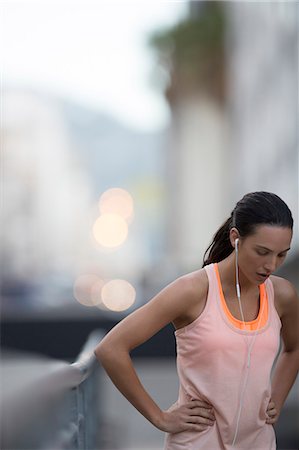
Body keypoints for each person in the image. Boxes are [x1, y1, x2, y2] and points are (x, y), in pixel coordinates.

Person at [94, 191, 299, 449]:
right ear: (236, 238)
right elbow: (111, 348)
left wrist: (277, 399)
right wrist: (160, 417)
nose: (271, 265)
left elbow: (294, 348)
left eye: (281, 255)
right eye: (262, 252)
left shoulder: (282, 294)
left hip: (259, 443)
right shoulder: (192, 290)